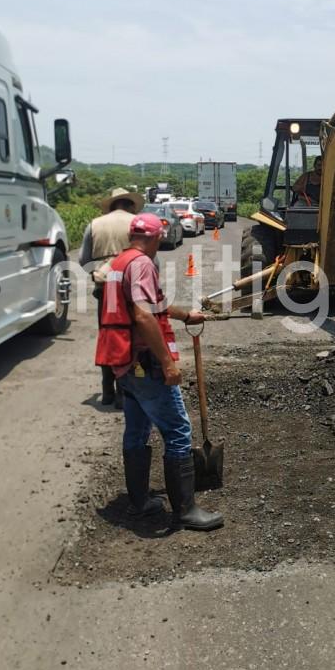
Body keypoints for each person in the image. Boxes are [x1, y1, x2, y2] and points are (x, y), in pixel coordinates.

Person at [95, 212, 224, 531]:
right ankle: (186, 511)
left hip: (124, 362)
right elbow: (143, 316)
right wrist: (167, 362)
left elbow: (155, 306)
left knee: (137, 429)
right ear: (156, 237)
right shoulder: (142, 264)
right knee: (178, 430)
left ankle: (139, 502)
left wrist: (185, 315)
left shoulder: (120, 263)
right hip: (145, 363)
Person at [80, 187, 145, 406]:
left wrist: (98, 272)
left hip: (105, 287)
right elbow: (150, 258)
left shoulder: (94, 224)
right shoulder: (138, 223)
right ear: (130, 205)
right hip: (131, 285)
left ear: (112, 205)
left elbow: (83, 260)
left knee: (108, 335)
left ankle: (107, 391)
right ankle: (123, 392)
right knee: (131, 337)